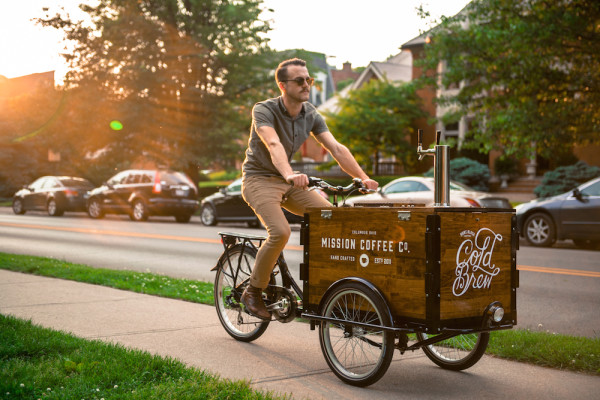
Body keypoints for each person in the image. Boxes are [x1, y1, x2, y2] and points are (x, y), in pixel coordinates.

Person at [240, 58, 378, 320]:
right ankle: (253, 291)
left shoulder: (310, 113)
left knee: (330, 219)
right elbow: (273, 144)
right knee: (279, 233)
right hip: (259, 179)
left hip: (288, 181)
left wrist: (363, 177)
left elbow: (335, 148)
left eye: (309, 80)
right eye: (299, 80)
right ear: (282, 85)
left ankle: (325, 287)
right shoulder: (264, 110)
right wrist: (290, 173)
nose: (306, 85)